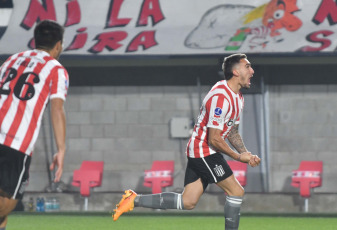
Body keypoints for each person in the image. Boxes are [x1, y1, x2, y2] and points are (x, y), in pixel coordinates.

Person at [112, 53, 261, 230]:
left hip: (203, 151)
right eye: (247, 67)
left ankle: (133, 200)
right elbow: (214, 139)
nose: (252, 71)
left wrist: (246, 153)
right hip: (204, 151)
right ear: (236, 72)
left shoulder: (238, 97)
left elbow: (232, 131)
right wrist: (238, 157)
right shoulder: (220, 98)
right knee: (236, 191)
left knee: (188, 201)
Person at [0, 20, 68, 229]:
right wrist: (61, 149)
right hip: (15, 143)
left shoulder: (11, 60)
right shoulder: (56, 69)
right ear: (58, 45)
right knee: (6, 205)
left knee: (2, 217)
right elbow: (57, 109)